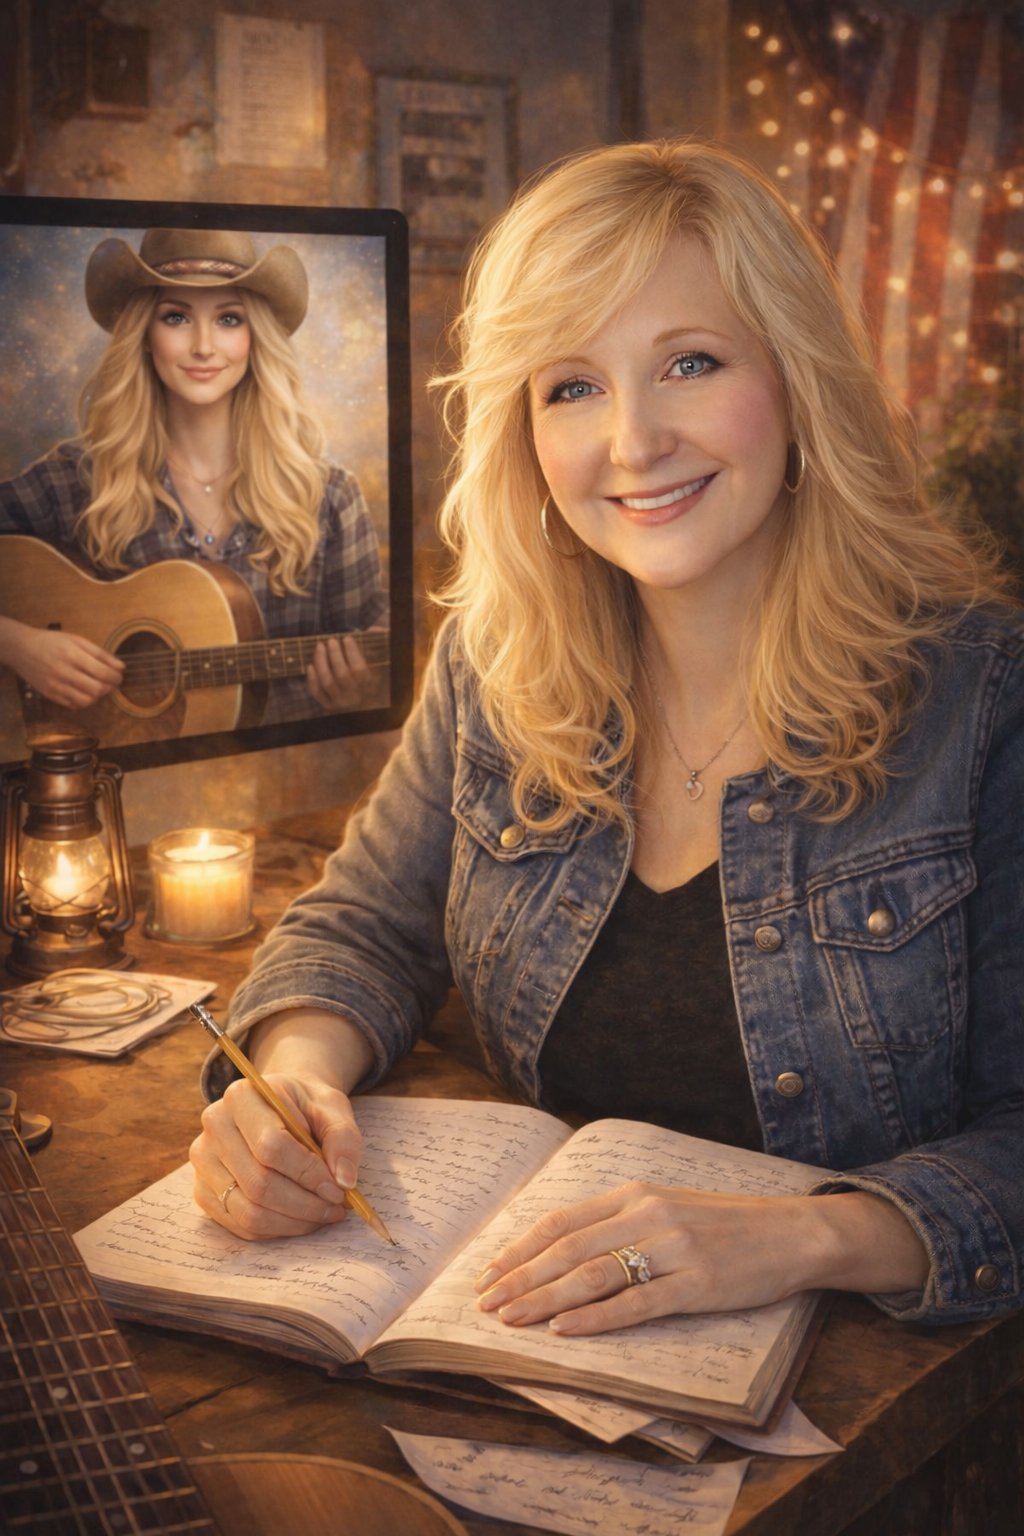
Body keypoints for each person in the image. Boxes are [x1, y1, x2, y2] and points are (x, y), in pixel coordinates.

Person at [190, 140, 1023, 1336]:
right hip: (530, 1357)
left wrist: (809, 1235)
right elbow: (365, 924)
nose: (631, 442)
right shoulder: (498, 660)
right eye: (570, 385)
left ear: (797, 382)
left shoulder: (985, 699)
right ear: (523, 435)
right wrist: (295, 1080)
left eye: (689, 362)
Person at [0, 228, 387, 726]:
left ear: (255, 339)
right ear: (144, 335)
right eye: (176, 317)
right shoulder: (75, 479)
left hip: (287, 782)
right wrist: (18, 644)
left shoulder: (331, 496)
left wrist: (361, 691)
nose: (204, 346)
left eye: (229, 319)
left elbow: (379, 647)